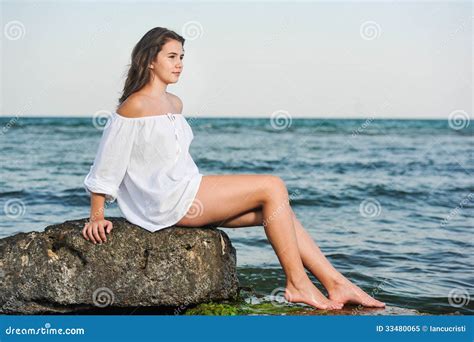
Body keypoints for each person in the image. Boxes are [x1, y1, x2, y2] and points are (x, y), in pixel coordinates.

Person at [83, 27, 386, 310]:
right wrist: (97, 215)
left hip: (186, 188)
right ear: (150, 60)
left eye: (182, 58)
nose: (179, 64)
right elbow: (107, 164)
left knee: (278, 212)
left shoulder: (175, 103)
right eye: (172, 57)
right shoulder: (133, 106)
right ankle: (298, 283)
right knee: (272, 186)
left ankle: (338, 283)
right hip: (167, 200)